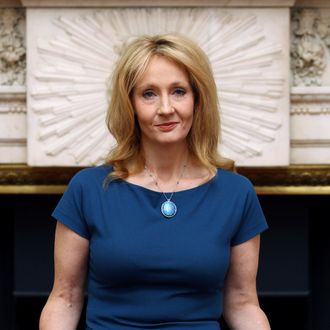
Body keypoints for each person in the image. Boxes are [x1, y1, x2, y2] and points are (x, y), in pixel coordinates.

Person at [39, 33, 271, 330]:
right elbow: (65, 298)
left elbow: (243, 303)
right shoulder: (88, 189)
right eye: (149, 93)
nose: (165, 108)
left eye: (178, 91)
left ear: (198, 99)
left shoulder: (237, 193)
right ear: (130, 104)